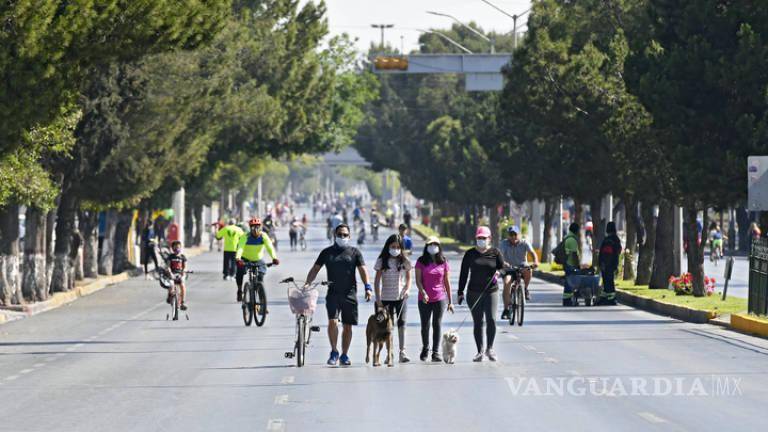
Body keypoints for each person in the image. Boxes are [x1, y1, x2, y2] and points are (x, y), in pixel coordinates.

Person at [304, 224, 371, 366]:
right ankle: (334, 351)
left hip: (350, 294)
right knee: (332, 321)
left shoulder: (355, 252)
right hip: (333, 293)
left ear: (349, 236)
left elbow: (363, 270)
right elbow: (315, 269)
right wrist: (307, 283)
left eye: (345, 235)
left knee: (348, 326)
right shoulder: (327, 252)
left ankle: (344, 355)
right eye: (340, 234)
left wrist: (368, 287)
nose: (342, 237)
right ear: (335, 235)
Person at [457, 226, 505, 362]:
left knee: (491, 319)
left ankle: (490, 348)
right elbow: (464, 274)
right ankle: (480, 351)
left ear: (489, 239)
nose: (481, 240)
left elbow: (503, 268)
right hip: (473, 292)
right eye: (479, 238)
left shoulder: (495, 252)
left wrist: (499, 272)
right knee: (478, 322)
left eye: (484, 238)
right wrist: (460, 292)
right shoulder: (470, 254)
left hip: (491, 291)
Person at [373, 234, 413, 363]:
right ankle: (388, 354)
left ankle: (402, 352)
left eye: (397, 247)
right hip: (385, 299)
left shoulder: (405, 261)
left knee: (402, 324)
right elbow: (377, 281)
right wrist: (378, 300)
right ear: (388, 246)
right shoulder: (381, 261)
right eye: (392, 246)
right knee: (386, 328)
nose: (395, 249)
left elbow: (409, 278)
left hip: (400, 298)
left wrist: (407, 289)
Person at [415, 236, 453, 362]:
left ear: (439, 246)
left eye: (435, 244)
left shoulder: (443, 261)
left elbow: (447, 282)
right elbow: (418, 281)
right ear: (426, 247)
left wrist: (450, 302)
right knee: (425, 325)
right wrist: (423, 292)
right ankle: (426, 348)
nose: (433, 247)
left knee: (437, 324)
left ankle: (435, 352)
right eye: (430, 244)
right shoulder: (421, 261)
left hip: (440, 298)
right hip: (424, 298)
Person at [234, 218, 280, 302]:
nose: (255, 229)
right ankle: (240, 290)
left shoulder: (263, 236)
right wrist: (238, 258)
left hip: (258, 259)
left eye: (257, 227)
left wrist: (274, 258)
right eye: (253, 227)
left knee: (260, 278)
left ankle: (262, 302)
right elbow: (240, 247)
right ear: (250, 228)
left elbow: (270, 247)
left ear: (260, 227)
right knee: (239, 272)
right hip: (245, 258)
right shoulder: (245, 236)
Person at [500, 226, 539, 319]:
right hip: (509, 269)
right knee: (506, 282)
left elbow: (532, 253)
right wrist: (503, 263)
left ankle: (525, 289)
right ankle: (506, 309)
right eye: (511, 235)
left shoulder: (524, 242)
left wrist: (535, 262)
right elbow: (499, 255)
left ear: (519, 235)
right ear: (508, 236)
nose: (513, 237)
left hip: (522, 267)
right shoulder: (504, 243)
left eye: (515, 234)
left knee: (529, 270)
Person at [598, 221, 622, 305]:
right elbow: (618, 251)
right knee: (609, 281)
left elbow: (603, 254)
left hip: (606, 264)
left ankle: (610, 298)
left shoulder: (607, 240)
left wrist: (601, 263)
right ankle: (607, 297)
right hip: (613, 263)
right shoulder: (616, 239)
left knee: (607, 281)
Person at [166, 240, 189, 311]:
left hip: (180, 274)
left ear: (181, 248)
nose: (177, 249)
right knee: (171, 284)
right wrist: (170, 272)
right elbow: (168, 266)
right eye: (175, 248)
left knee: (182, 285)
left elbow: (185, 267)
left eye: (178, 247)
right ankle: (170, 296)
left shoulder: (183, 257)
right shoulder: (170, 257)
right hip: (172, 274)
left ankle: (182, 302)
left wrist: (183, 272)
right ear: (172, 248)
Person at [563, 223, 581, 306]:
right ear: (576, 230)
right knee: (571, 282)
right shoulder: (572, 239)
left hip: (566, 263)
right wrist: (578, 265)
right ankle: (568, 300)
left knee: (568, 281)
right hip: (570, 263)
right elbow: (574, 254)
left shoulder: (566, 237)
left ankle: (567, 299)